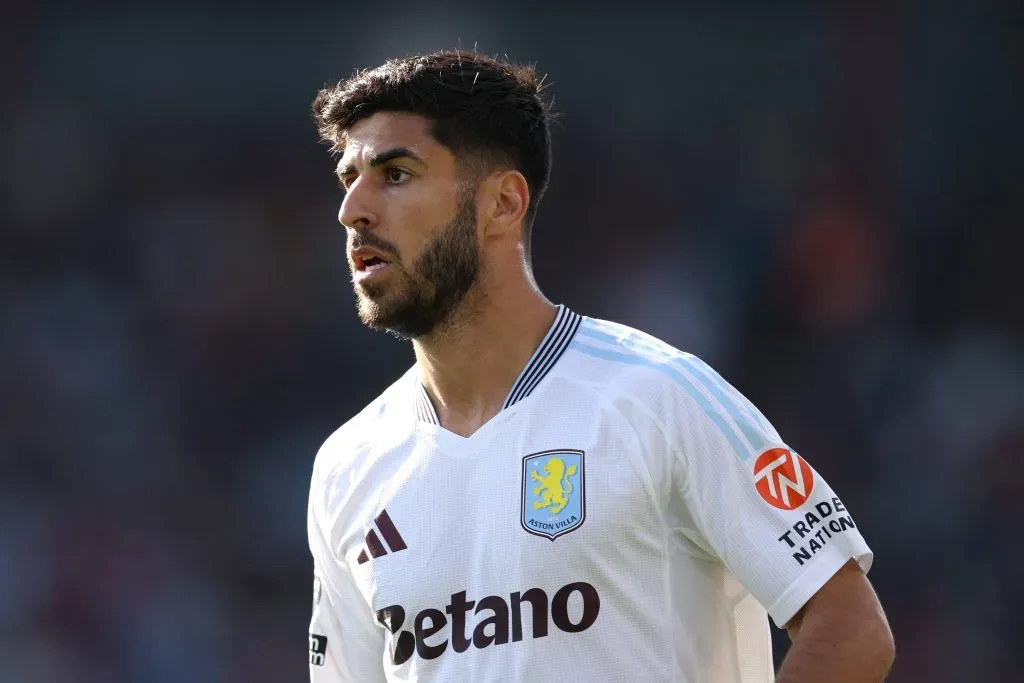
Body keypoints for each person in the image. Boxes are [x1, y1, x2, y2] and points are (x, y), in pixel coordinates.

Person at [305, 50, 894, 683]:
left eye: (395, 174)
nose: (353, 210)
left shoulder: (659, 397)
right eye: (349, 180)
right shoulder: (348, 467)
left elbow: (851, 632)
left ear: (502, 203)